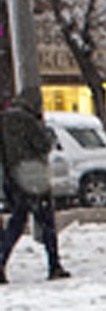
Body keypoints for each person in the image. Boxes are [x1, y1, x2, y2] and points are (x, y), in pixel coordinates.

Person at [0, 87, 71, 285]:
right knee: (47, 222)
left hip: (14, 178)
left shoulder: (4, 120)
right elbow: (44, 145)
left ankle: (1, 259)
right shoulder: (29, 122)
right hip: (35, 179)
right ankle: (54, 264)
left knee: (16, 223)